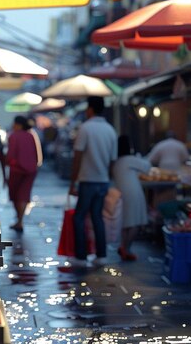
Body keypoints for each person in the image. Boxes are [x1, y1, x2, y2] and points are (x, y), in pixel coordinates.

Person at [69, 96, 117, 265]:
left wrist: (72, 182)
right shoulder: (110, 130)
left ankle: (81, 256)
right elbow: (113, 160)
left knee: (79, 217)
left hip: (87, 180)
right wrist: (108, 179)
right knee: (97, 216)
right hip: (103, 181)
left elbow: (78, 156)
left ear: (90, 109)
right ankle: (101, 255)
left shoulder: (85, 128)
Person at [112, 135, 152, 261]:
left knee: (126, 222)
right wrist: (139, 157)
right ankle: (127, 248)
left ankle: (123, 246)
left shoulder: (116, 161)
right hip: (133, 192)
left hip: (120, 193)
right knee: (135, 222)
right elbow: (147, 167)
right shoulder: (130, 159)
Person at [6, 116, 41, 232]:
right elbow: (37, 155)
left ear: (18, 124)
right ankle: (20, 220)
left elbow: (10, 155)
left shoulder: (13, 136)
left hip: (16, 170)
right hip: (31, 170)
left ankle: (19, 220)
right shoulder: (31, 135)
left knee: (15, 195)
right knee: (24, 195)